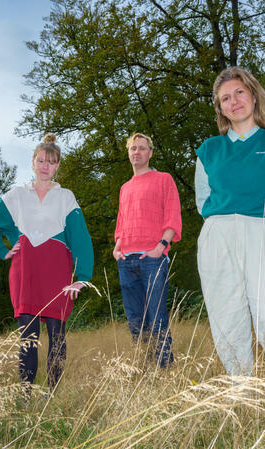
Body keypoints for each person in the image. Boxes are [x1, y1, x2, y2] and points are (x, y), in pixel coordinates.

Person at [195, 66, 265, 400]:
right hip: (218, 238)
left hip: (263, 232)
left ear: (254, 95)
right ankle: (244, 398)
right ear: (220, 108)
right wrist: (225, 228)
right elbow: (203, 201)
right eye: (225, 98)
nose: (234, 101)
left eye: (239, 93)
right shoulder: (209, 150)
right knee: (227, 319)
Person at [0, 133, 93, 390]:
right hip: (25, 272)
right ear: (32, 162)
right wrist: (2, 249)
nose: (45, 166)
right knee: (28, 337)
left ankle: (52, 393)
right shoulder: (17, 195)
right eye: (41, 161)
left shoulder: (66, 197)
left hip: (57, 273)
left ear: (57, 166)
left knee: (57, 335)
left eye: (51, 162)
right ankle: (26, 392)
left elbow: (81, 238)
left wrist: (83, 277)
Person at [113, 132, 182, 368]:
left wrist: (160, 247)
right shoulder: (125, 188)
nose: (137, 152)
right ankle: (144, 368)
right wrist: (117, 249)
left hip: (153, 259)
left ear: (150, 153)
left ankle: (165, 370)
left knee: (157, 318)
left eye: (142, 148)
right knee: (135, 321)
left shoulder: (163, 179)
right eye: (133, 148)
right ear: (128, 153)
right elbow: (121, 222)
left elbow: (173, 215)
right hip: (126, 260)